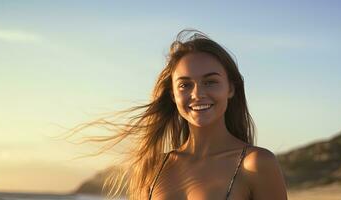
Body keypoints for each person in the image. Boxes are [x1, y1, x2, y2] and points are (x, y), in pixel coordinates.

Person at [72, 29, 288, 200]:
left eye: (210, 82)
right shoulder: (153, 167)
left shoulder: (255, 163)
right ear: (173, 95)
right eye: (185, 85)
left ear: (230, 89)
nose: (198, 94)